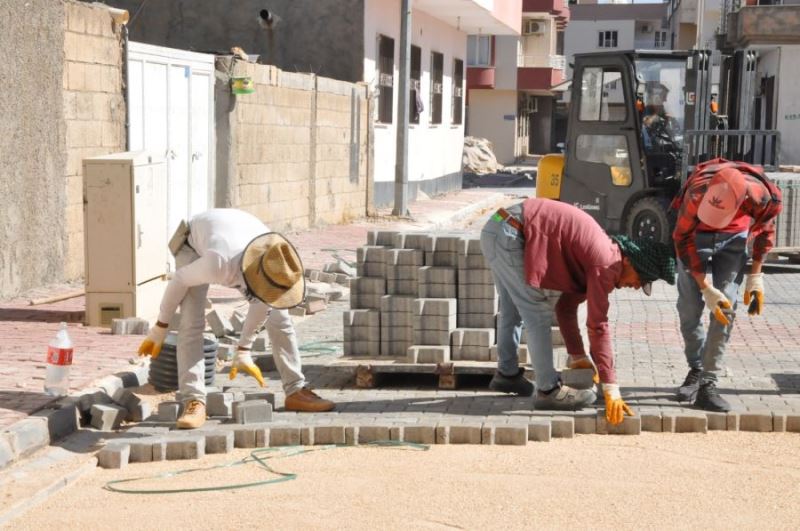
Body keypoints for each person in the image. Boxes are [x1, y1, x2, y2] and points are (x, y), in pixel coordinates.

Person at [480, 198, 676, 425]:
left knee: (512, 309)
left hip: (500, 226)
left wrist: (578, 356)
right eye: (640, 280)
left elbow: (565, 308)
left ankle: (507, 374)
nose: (635, 287)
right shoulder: (605, 263)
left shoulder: (600, 256)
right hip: (509, 231)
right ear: (631, 263)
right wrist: (610, 385)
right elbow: (598, 326)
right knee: (537, 313)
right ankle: (548, 390)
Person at [138, 209, 334, 429]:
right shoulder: (218, 264)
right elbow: (180, 280)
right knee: (191, 322)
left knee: (280, 318)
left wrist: (243, 350)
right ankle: (194, 400)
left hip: (241, 234)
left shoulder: (274, 260)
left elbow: (263, 306)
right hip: (193, 244)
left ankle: (295, 390)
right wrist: (161, 325)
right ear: (254, 279)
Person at [672, 159, 782, 412]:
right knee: (689, 308)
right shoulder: (696, 193)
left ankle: (708, 383)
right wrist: (705, 287)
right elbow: (681, 238)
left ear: (742, 201)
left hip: (734, 237)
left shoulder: (764, 197)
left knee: (726, 308)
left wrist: (756, 276)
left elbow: (766, 232)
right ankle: (696, 368)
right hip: (695, 236)